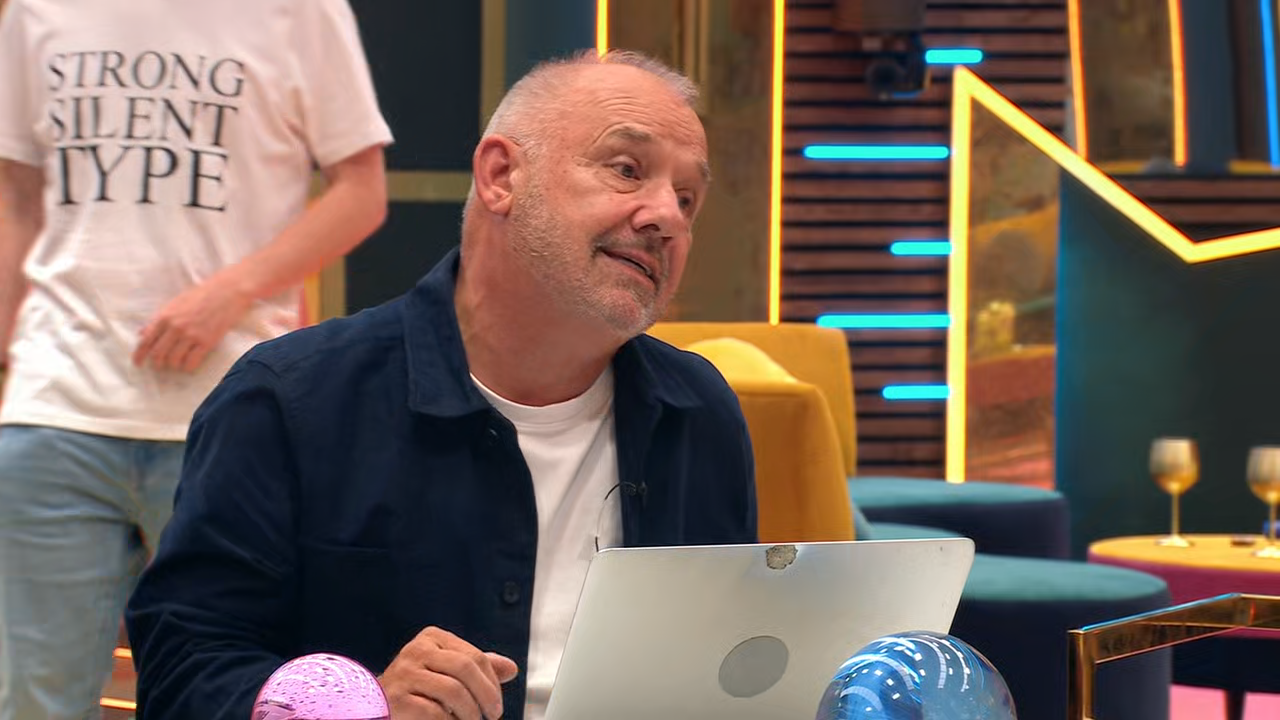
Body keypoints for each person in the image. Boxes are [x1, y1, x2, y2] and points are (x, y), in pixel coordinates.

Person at [125, 49, 757, 720]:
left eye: (687, 199)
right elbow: (184, 675)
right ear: (501, 176)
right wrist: (360, 706)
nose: (666, 217)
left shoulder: (699, 413)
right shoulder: (289, 402)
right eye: (627, 169)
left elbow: (727, 669)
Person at [0, 0, 392, 717]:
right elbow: (18, 197)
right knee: (32, 702)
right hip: (53, 404)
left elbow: (362, 192)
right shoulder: (36, 8)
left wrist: (230, 292)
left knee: (233, 691)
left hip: (234, 415)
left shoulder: (300, 10)